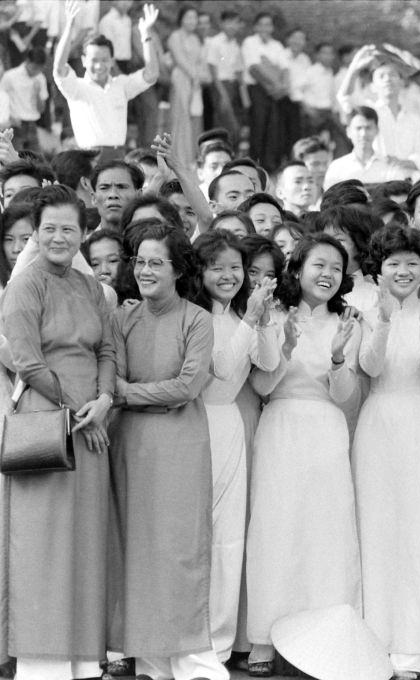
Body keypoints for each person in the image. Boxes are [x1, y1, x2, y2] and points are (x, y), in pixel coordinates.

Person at [1, 185, 115, 680]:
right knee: (42, 543)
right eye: (49, 228)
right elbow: (26, 360)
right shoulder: (25, 285)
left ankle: (85, 661)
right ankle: (41, 663)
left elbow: (108, 350)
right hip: (47, 421)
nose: (59, 237)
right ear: (36, 233)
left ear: (84, 234)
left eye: (69, 228)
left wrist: (105, 402)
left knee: (87, 540)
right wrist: (77, 411)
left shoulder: (92, 288)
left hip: (93, 424)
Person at [108, 221, 227, 680]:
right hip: (130, 448)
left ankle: (195, 664)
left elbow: (186, 387)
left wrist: (132, 394)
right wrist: (131, 392)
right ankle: (151, 661)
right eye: (140, 262)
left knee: (181, 551)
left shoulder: (198, 319)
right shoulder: (123, 318)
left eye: (157, 262)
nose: (145, 270)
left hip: (181, 446)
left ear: (179, 269)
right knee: (137, 552)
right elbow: (113, 380)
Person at [245, 233, 362, 674]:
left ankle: (326, 633)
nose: (328, 274)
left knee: (326, 529)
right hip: (280, 426)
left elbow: (347, 395)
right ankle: (265, 636)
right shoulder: (273, 315)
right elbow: (261, 386)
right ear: (297, 269)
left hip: (327, 428)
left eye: (336, 266)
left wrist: (336, 360)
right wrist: (287, 347)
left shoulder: (349, 322)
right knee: (276, 527)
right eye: (319, 264)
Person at [353, 226, 420, 675]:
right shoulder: (363, 313)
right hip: (378, 422)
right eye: (393, 262)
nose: (404, 270)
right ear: (379, 270)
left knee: (419, 528)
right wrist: (387, 320)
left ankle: (415, 644)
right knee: (376, 528)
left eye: (412, 262)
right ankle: (374, 640)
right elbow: (370, 366)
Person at [189, 231, 279, 663]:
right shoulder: (193, 316)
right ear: (199, 271)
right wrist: (251, 319)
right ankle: (189, 636)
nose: (228, 275)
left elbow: (269, 365)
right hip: (192, 425)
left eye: (235, 268)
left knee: (228, 535)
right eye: (217, 267)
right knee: (195, 535)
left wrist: (261, 319)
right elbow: (222, 370)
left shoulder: (245, 314)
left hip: (229, 427)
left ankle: (219, 644)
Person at [54, 0, 159, 154]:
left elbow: (151, 74)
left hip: (117, 158)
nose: (99, 66)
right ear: (83, 61)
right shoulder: (76, 87)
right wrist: (70, 27)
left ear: (111, 61)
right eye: (94, 60)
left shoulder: (121, 85)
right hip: (88, 158)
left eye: (104, 60)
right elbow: (59, 67)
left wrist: (146, 36)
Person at [323, 107, 416, 189]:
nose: (363, 134)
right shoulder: (337, 167)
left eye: (368, 128)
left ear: (376, 130)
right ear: (348, 132)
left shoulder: (390, 167)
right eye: (359, 128)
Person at [241, 13, 289, 170]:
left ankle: (269, 166)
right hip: (257, 89)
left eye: (268, 24)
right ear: (255, 26)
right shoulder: (250, 42)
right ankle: (253, 165)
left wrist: (280, 86)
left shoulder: (277, 45)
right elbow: (254, 68)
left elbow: (284, 68)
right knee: (258, 127)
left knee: (273, 128)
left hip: (275, 91)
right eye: (261, 24)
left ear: (272, 27)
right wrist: (271, 85)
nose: (265, 28)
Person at [166, 6, 205, 166]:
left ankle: (191, 158)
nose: (192, 21)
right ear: (181, 19)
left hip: (194, 81)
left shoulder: (196, 39)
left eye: (194, 18)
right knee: (180, 117)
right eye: (188, 17)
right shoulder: (175, 37)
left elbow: (201, 61)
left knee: (193, 117)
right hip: (181, 78)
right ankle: (178, 158)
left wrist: (198, 77)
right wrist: (195, 75)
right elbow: (179, 58)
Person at [204, 10, 247, 146]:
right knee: (228, 126)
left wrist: (245, 96)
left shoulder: (235, 44)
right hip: (220, 87)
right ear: (222, 24)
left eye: (235, 23)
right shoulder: (215, 42)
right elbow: (213, 71)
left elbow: (239, 71)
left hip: (233, 86)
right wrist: (223, 95)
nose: (232, 26)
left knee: (232, 127)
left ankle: (229, 156)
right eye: (229, 22)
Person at [0, 47, 47, 152]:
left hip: (32, 124)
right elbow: (1, 99)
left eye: (40, 69)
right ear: (27, 62)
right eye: (34, 68)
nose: (36, 72)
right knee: (15, 162)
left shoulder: (40, 78)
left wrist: (38, 93)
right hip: (15, 125)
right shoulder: (10, 76)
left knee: (36, 161)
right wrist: (10, 117)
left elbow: (42, 109)